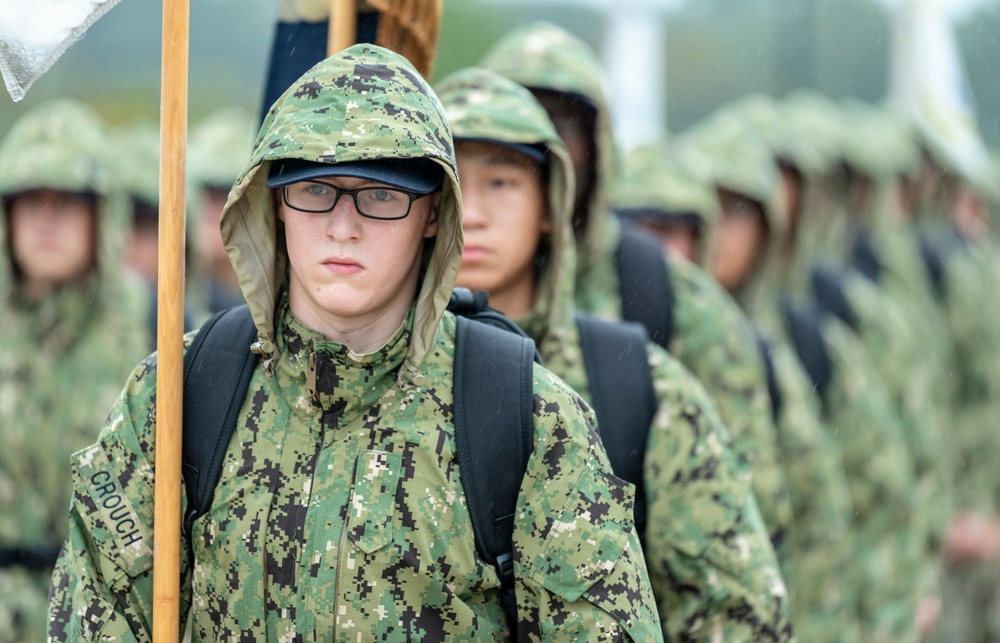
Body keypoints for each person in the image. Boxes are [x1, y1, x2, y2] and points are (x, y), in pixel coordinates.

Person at [47, 45, 661, 641]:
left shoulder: (524, 416)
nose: (344, 227)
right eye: (315, 190)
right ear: (274, 202)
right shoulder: (178, 395)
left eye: (381, 194)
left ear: (431, 214)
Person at [438, 66, 793, 641]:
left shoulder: (634, 382)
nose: (472, 212)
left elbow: (739, 608)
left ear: (551, 207)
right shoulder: (370, 377)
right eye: (452, 181)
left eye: (501, 182)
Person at [618, 133, 861, 642]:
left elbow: (811, 523)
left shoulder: (757, 352)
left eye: (668, 230)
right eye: (635, 228)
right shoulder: (570, 352)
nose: (648, 249)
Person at [0, 100, 151, 643]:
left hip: (105, 616)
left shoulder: (153, 324)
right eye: (29, 200)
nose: (45, 218)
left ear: (102, 214)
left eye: (65, 201)